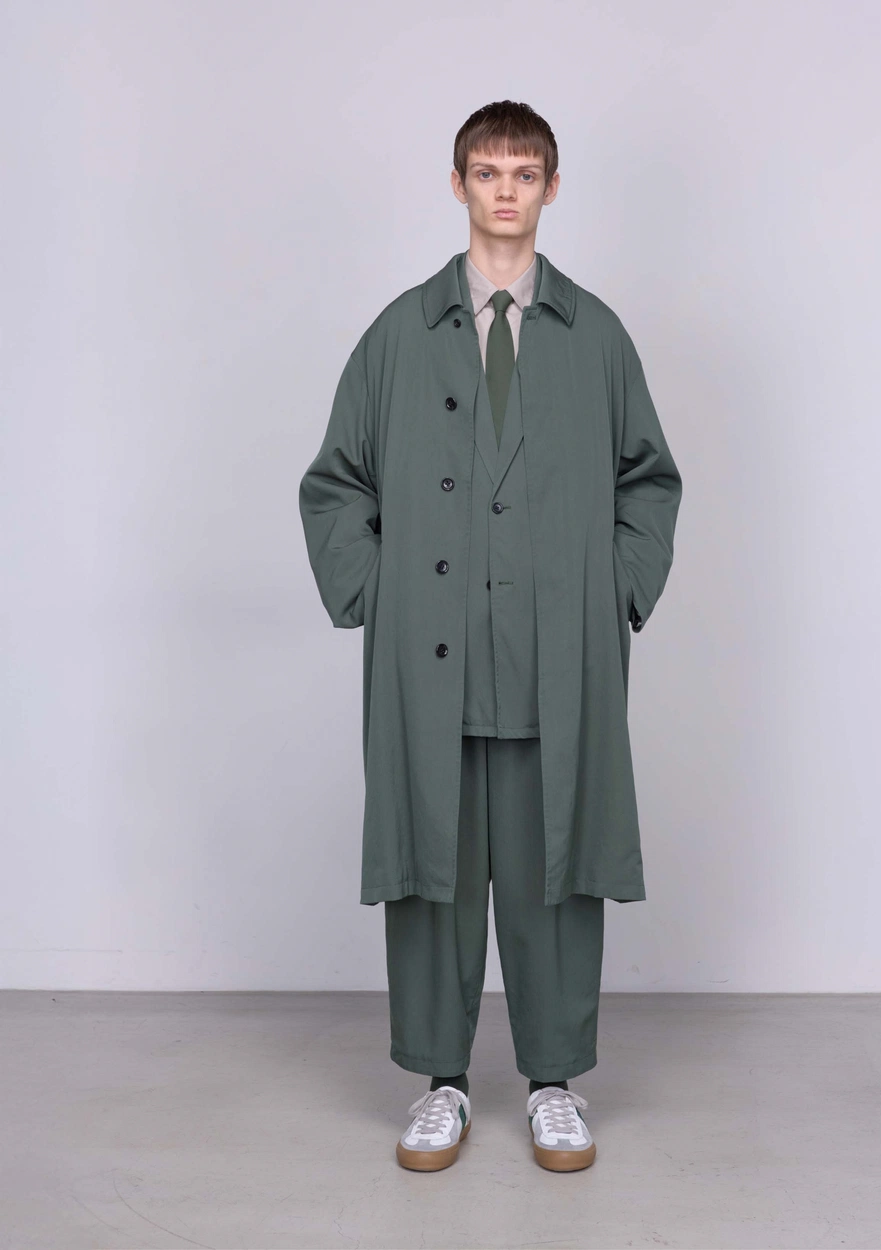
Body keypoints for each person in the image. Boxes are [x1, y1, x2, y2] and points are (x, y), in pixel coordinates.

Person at [298, 100, 682, 1172]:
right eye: (486, 171)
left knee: (558, 871)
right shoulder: (398, 334)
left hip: (557, 663)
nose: (505, 190)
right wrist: (375, 591)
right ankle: (442, 1085)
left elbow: (649, 479)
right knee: (434, 873)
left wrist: (616, 588)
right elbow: (335, 483)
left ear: (550, 187)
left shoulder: (595, 335)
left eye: (523, 172)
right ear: (458, 184)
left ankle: (554, 1082)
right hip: (433, 667)